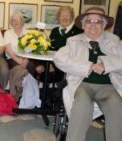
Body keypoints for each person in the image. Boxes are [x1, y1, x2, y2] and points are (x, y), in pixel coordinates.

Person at [53, 7, 122, 141]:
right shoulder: (73, 41)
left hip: (108, 87)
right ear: (83, 25)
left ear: (104, 25)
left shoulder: (114, 41)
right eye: (89, 21)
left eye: (98, 21)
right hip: (82, 84)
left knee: (116, 106)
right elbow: (59, 58)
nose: (93, 25)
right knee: (81, 105)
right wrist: (87, 66)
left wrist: (106, 64)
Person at [4, 12, 44, 102]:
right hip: (12, 58)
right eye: (14, 20)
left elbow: (31, 48)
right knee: (19, 68)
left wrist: (26, 59)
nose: (16, 22)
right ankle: (18, 93)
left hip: (26, 58)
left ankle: (30, 92)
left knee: (30, 66)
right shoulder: (8, 32)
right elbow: (8, 49)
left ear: (22, 22)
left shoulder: (28, 33)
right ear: (11, 22)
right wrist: (18, 59)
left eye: (19, 19)